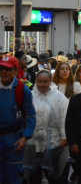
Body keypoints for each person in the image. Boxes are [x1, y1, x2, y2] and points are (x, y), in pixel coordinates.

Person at [23, 70, 69, 183]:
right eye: (39, 81)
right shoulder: (30, 95)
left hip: (53, 143)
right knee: (34, 175)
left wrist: (64, 137)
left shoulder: (59, 97)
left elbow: (64, 118)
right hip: (33, 143)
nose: (42, 84)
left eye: (45, 81)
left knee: (54, 176)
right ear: (35, 81)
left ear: (50, 82)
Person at [0, 55, 36, 184]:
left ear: (16, 71)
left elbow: (31, 116)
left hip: (14, 140)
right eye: (1, 68)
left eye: (8, 69)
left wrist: (25, 137)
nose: (3, 72)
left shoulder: (22, 90)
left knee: (13, 177)